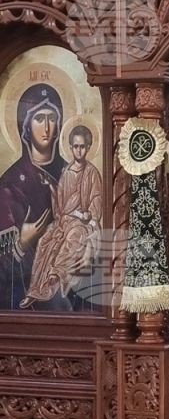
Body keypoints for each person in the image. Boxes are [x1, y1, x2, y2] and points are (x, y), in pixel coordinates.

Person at [0, 83, 67, 310]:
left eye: (52, 118)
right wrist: (22, 243)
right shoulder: (10, 184)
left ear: (59, 125)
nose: (46, 127)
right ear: (26, 126)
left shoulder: (73, 174)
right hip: (24, 298)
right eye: (39, 119)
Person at [21, 125, 101, 309]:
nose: (78, 150)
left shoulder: (92, 173)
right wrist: (51, 187)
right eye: (75, 146)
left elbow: (97, 199)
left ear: (88, 147)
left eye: (82, 146)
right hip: (64, 221)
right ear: (71, 147)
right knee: (45, 240)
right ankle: (34, 291)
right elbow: (61, 204)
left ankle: (56, 274)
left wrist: (89, 213)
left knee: (73, 237)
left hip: (83, 224)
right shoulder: (66, 172)